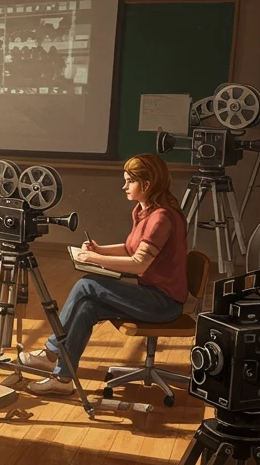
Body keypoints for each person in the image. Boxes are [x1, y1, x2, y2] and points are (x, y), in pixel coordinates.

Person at [20, 153, 189, 395]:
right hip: (150, 295)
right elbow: (132, 248)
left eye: (130, 181)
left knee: (87, 285)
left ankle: (50, 352)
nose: (124, 186)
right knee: (88, 309)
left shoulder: (161, 217)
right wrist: (100, 249)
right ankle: (63, 379)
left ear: (148, 184)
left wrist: (94, 258)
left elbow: (139, 264)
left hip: (162, 303)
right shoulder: (144, 211)